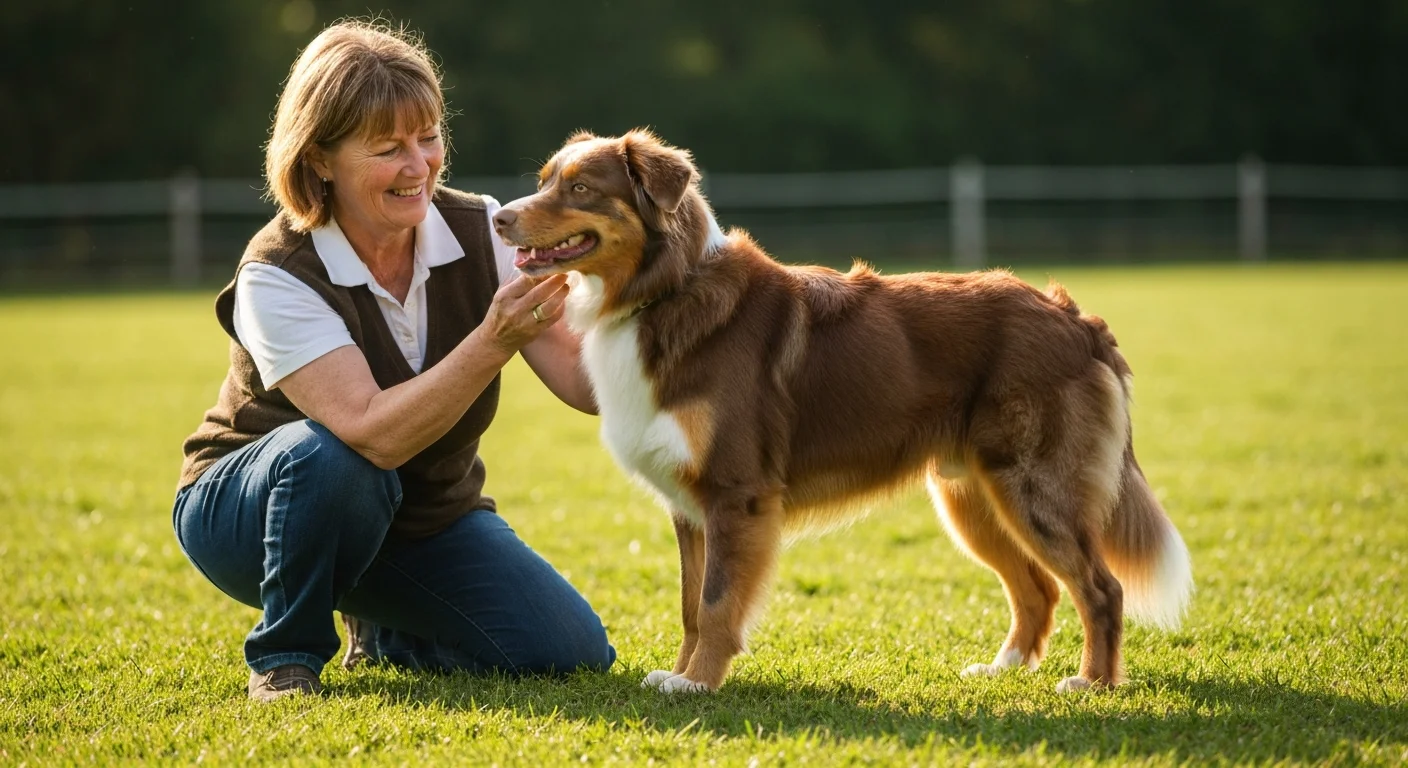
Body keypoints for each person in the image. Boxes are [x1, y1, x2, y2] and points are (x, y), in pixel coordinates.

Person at [172, 20, 614, 702]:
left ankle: (387, 628)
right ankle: (285, 658)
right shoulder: (278, 272)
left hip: (422, 515)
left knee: (567, 651)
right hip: (255, 517)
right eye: (388, 148)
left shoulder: (482, 229)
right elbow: (369, 431)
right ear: (319, 158)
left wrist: (680, 322)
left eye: (429, 136)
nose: (420, 167)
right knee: (334, 459)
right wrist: (491, 342)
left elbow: (586, 383)